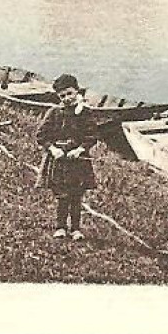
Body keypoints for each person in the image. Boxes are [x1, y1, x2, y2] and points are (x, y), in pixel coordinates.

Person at [35, 74, 99, 240]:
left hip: (78, 162)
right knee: (63, 197)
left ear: (77, 91)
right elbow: (41, 136)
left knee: (76, 196)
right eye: (62, 96)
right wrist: (52, 149)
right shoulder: (54, 112)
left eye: (70, 93)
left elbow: (91, 136)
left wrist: (80, 149)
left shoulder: (85, 113)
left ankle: (76, 229)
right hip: (59, 161)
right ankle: (61, 227)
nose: (67, 98)